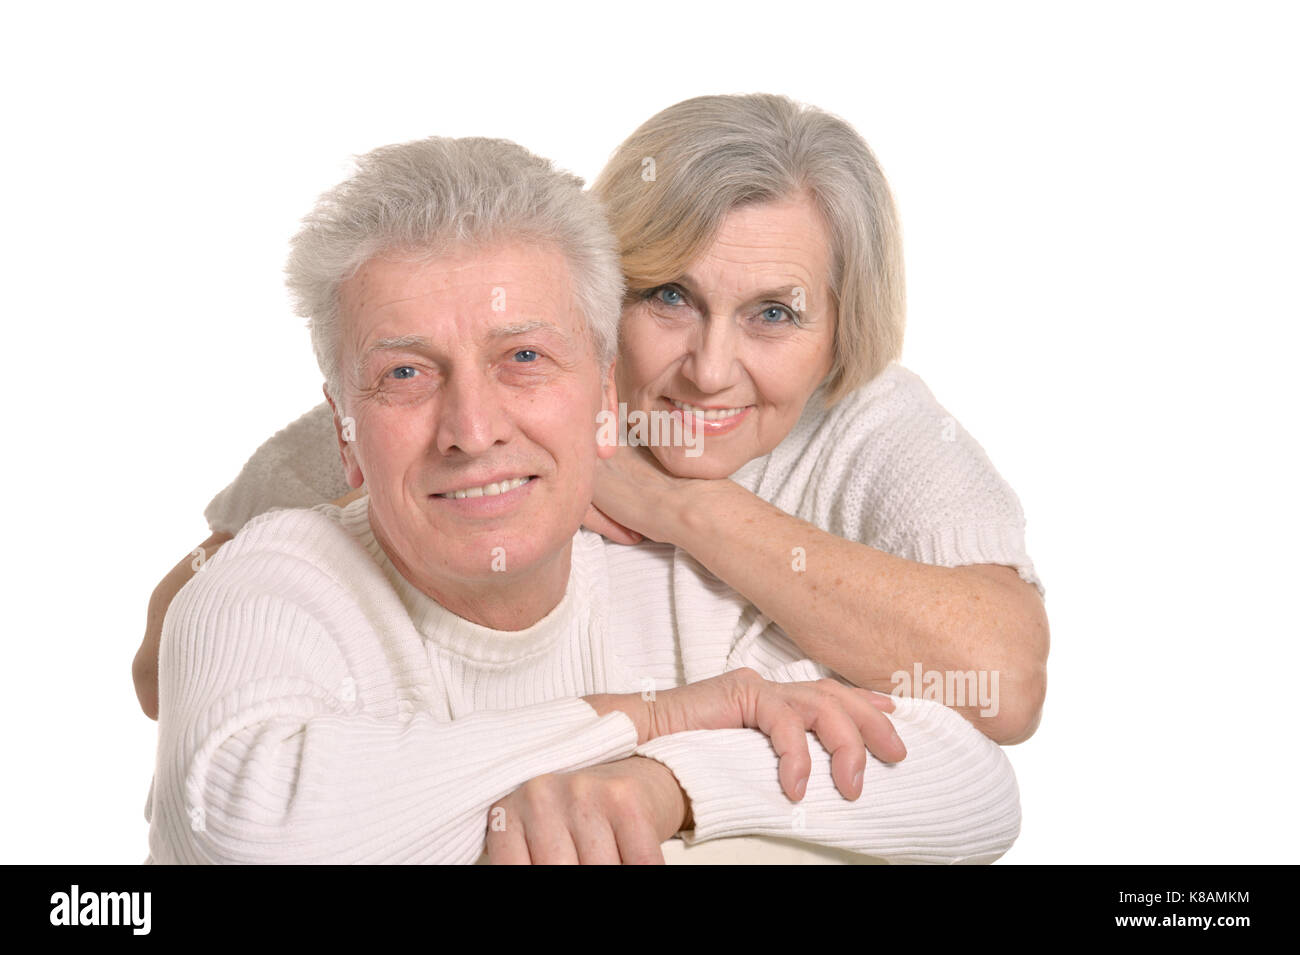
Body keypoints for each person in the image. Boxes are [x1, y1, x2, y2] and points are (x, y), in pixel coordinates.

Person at [145, 135, 1021, 864]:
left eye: (524, 358)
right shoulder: (268, 579)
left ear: (604, 397)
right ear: (342, 432)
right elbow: (250, 826)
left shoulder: (700, 592)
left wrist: (667, 785)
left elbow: (969, 774)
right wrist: (659, 717)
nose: (473, 428)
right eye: (406, 373)